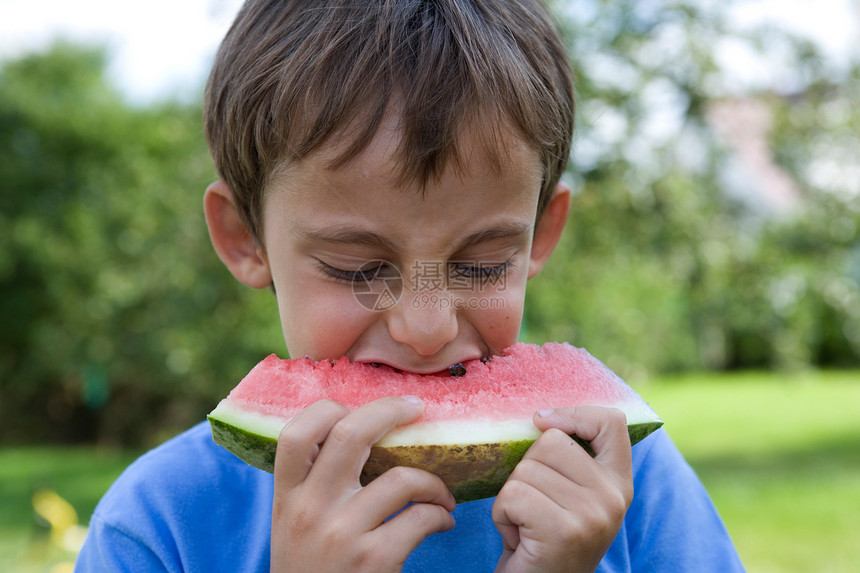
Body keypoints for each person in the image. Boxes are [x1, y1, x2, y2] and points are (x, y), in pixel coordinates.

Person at [76, 0, 745, 571]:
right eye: (359, 268)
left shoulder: (626, 483)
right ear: (245, 240)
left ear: (541, 233)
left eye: (480, 265)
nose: (425, 328)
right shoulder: (160, 527)